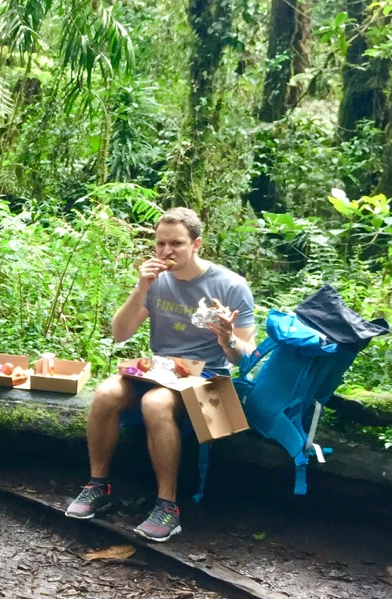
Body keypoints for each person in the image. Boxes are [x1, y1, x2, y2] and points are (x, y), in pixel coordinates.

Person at [64, 207, 256, 542]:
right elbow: (120, 333)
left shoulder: (230, 286)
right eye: (160, 244)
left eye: (176, 244)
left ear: (196, 245)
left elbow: (245, 358)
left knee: (155, 403)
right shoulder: (155, 283)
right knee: (106, 392)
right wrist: (141, 288)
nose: (167, 252)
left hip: (211, 380)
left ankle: (168, 506)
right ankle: (98, 486)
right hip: (161, 370)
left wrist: (227, 338)